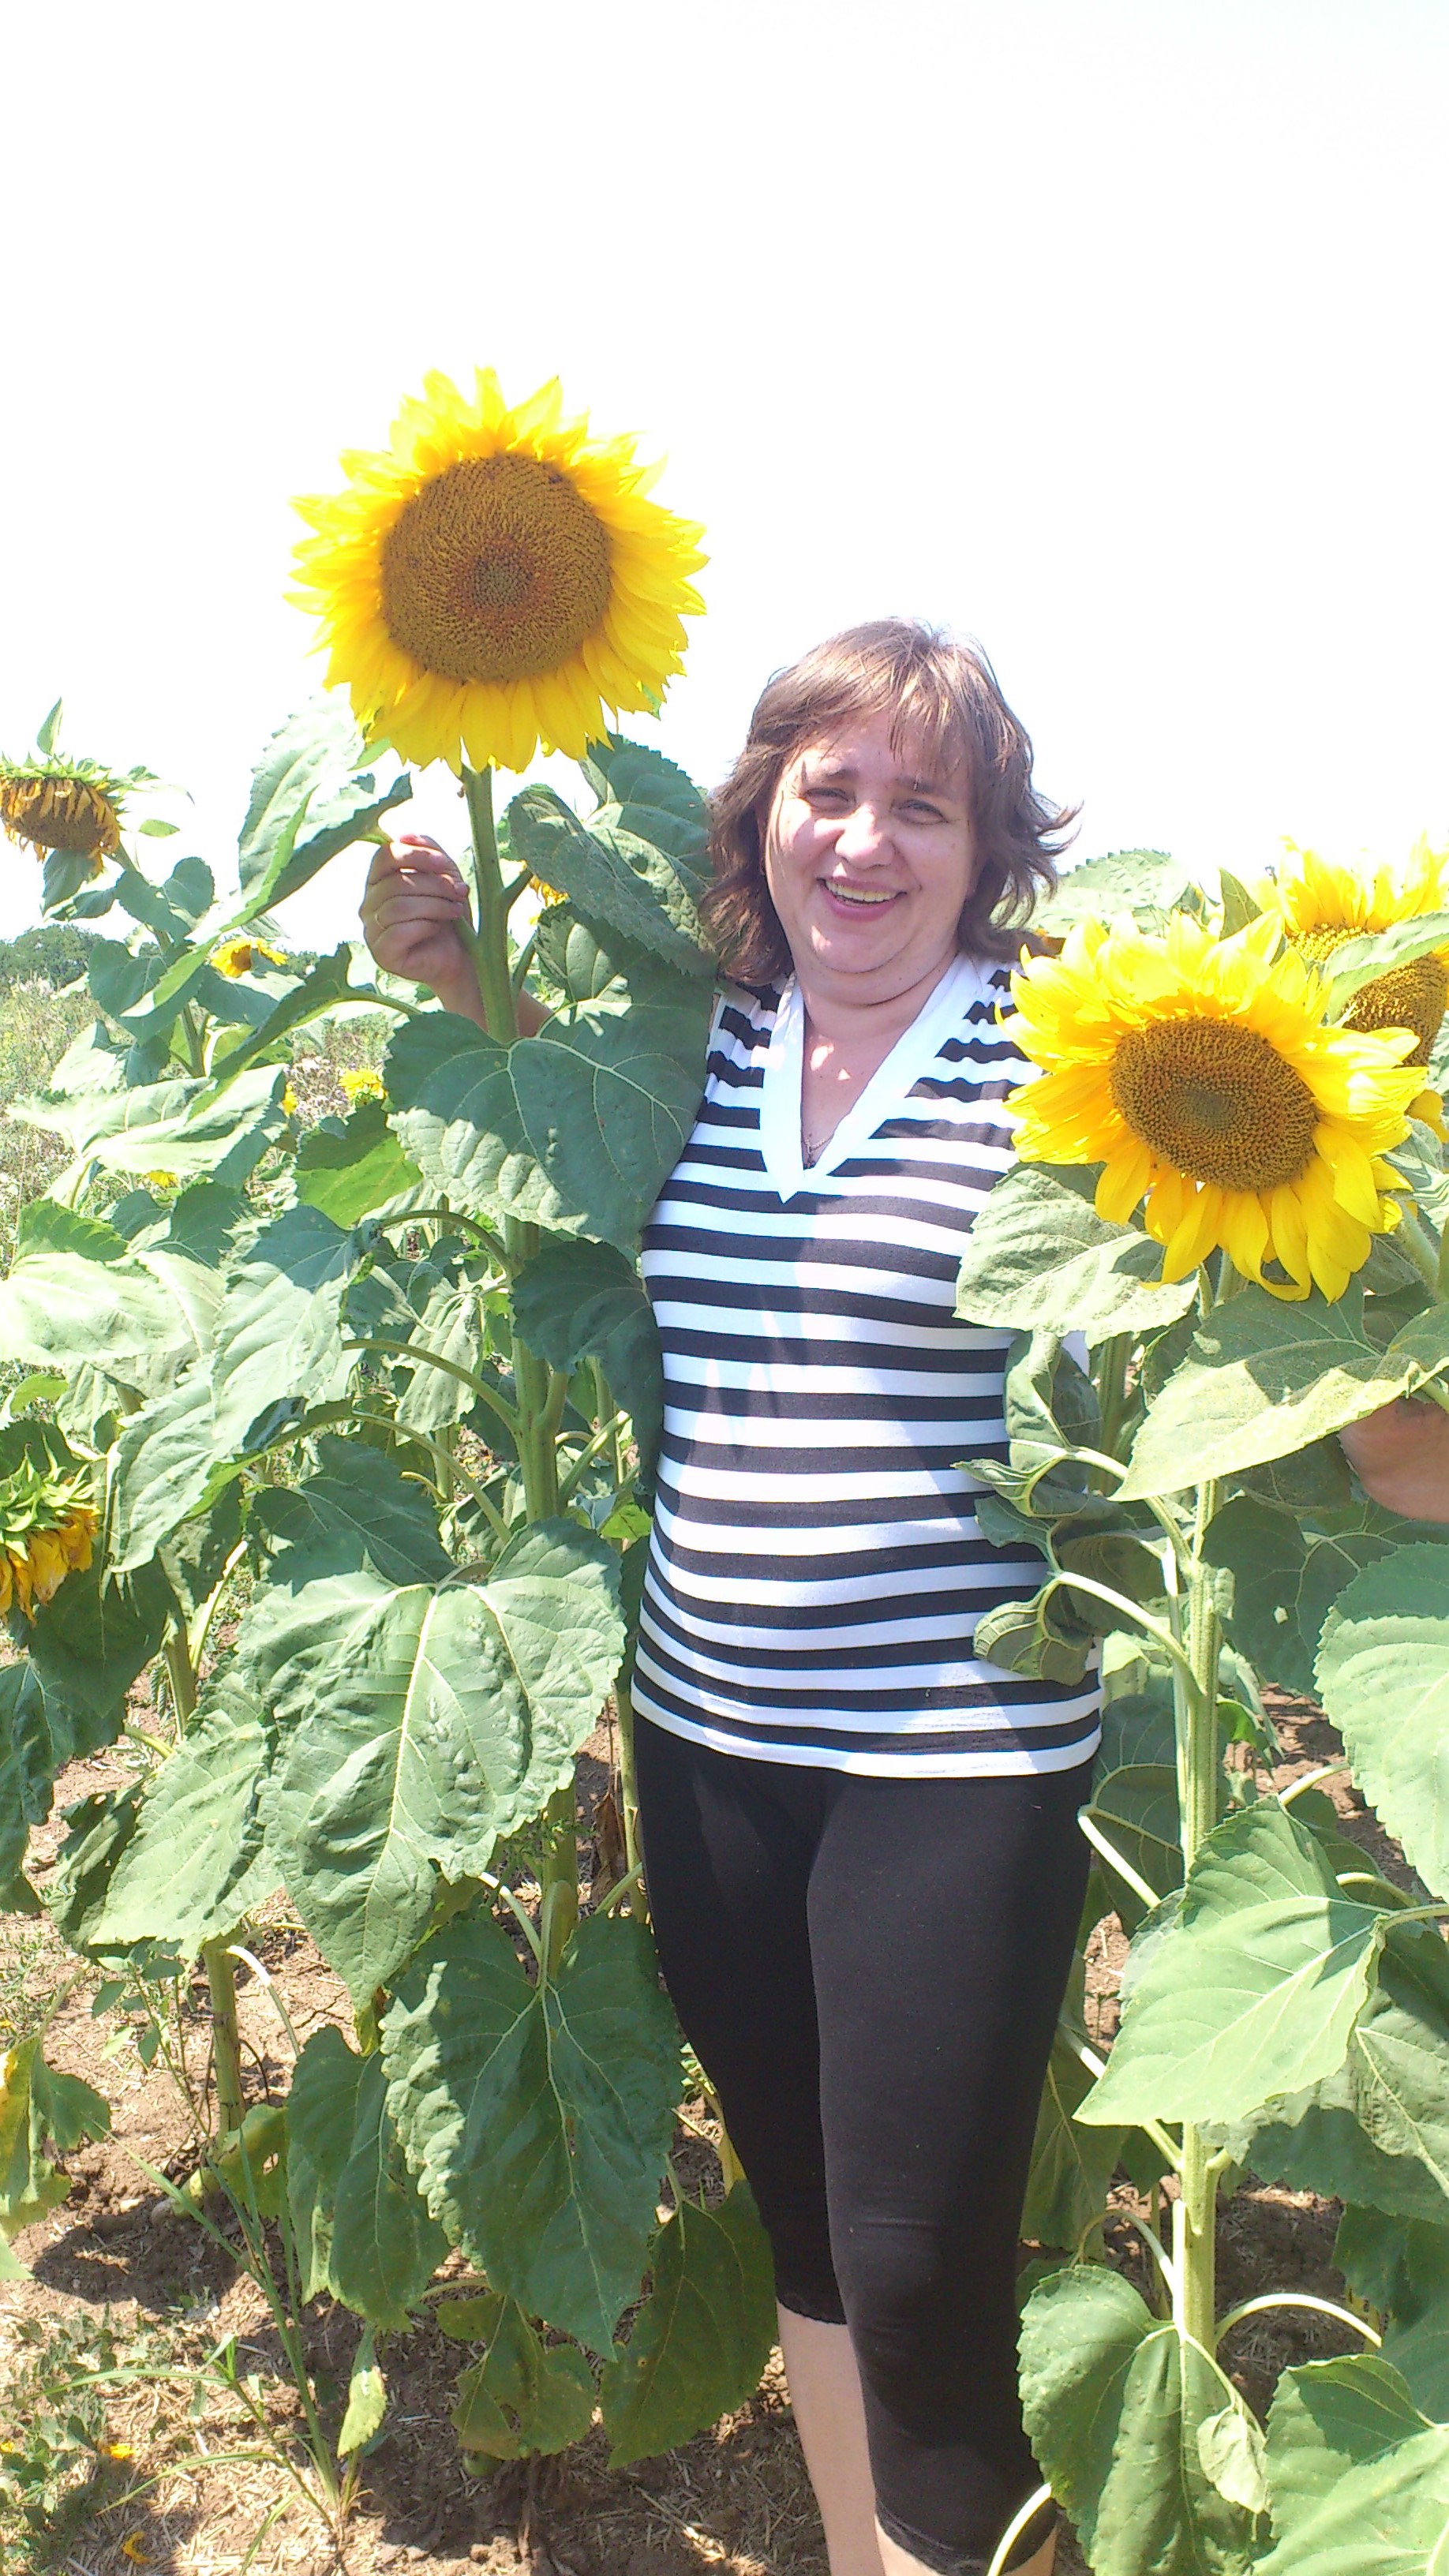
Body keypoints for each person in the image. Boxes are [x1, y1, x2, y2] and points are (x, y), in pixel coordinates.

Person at [360, 619, 1449, 2576]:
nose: (865, 841)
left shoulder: (1069, 1060)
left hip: (947, 1759)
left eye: (922, 806)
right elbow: (559, 1120)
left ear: (988, 849)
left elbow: (1298, 1298)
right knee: (805, 2223)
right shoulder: (701, 1043)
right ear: (761, 818)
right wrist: (451, 968)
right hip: (706, 1736)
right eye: (829, 791)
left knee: (923, 2261)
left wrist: (1402, 1424)